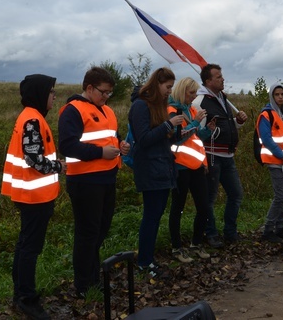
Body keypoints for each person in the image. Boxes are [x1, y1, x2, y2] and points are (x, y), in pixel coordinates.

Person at [58, 67, 130, 296]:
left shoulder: (107, 110)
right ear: (89, 88)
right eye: (104, 92)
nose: (107, 96)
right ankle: (83, 284)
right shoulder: (73, 110)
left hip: (107, 177)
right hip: (84, 180)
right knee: (87, 232)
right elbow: (68, 146)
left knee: (101, 229)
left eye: (110, 92)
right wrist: (100, 153)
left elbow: (111, 137)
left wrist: (120, 145)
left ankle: (92, 276)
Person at [1, 74, 64, 319]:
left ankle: (21, 293)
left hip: (30, 193)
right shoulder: (32, 120)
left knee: (25, 244)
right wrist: (58, 166)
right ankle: (25, 298)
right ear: (39, 93)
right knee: (30, 248)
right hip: (33, 196)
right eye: (51, 92)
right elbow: (33, 158)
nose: (54, 96)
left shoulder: (31, 116)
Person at [129, 67, 181, 275]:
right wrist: (168, 125)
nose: (170, 91)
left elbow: (160, 138)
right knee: (151, 216)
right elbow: (143, 139)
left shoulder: (160, 106)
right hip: (150, 169)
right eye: (168, 87)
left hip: (162, 167)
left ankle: (148, 259)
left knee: (156, 215)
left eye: (171, 87)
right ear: (157, 84)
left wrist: (177, 131)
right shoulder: (141, 106)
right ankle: (144, 261)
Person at [192, 63, 248, 247]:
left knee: (236, 194)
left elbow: (225, 125)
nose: (223, 79)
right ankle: (211, 233)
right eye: (218, 76)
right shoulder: (200, 102)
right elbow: (197, 132)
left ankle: (230, 232)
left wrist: (237, 122)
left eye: (221, 75)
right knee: (209, 198)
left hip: (228, 156)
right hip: (211, 156)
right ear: (208, 81)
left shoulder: (222, 98)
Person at [167, 77, 215, 262]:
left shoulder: (191, 110)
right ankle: (177, 247)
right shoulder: (172, 111)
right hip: (179, 166)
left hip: (195, 166)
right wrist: (195, 123)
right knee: (177, 208)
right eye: (191, 93)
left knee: (203, 207)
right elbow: (177, 138)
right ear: (182, 91)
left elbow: (194, 136)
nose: (194, 97)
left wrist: (207, 130)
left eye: (195, 93)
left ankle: (196, 243)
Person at [257, 83, 283, 243]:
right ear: (272, 96)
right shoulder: (266, 115)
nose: (280, 97)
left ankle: (280, 228)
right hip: (274, 160)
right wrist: (282, 155)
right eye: (277, 94)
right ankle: (268, 229)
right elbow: (266, 139)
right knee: (279, 196)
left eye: (282, 94)